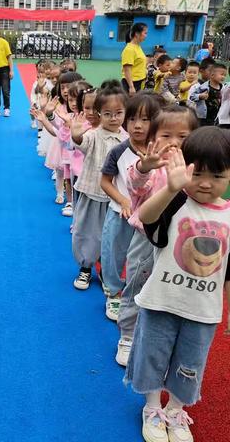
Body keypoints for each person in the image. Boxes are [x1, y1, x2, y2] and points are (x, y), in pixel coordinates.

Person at [125, 127, 230, 442]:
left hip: (203, 310)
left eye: (217, 175)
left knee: (191, 362)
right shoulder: (176, 202)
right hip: (161, 301)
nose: (206, 183)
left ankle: (176, 410)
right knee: (153, 354)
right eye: (197, 173)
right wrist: (171, 188)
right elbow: (146, 216)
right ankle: (153, 407)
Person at [116, 105, 198, 367]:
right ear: (153, 139)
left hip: (179, 244)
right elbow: (135, 186)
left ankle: (163, 338)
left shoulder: (196, 169)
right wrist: (143, 166)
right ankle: (128, 335)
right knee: (136, 284)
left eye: (183, 136)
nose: (174, 142)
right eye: (166, 135)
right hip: (146, 240)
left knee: (169, 291)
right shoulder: (152, 167)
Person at [100, 93, 158, 321]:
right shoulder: (119, 151)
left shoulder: (160, 151)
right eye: (133, 119)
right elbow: (105, 181)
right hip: (120, 212)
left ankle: (138, 293)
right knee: (114, 252)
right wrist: (123, 200)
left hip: (148, 217)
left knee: (143, 260)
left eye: (145, 119)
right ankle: (113, 292)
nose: (138, 125)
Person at [71, 81, 128, 289]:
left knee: (112, 236)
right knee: (87, 231)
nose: (113, 118)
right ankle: (85, 267)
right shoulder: (94, 135)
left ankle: (106, 270)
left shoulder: (127, 138)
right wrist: (76, 134)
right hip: (92, 192)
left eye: (118, 113)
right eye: (107, 114)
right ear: (99, 114)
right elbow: (82, 143)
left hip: (115, 198)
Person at [189, 62, 227, 126]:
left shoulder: (223, 88)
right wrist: (200, 96)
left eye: (225, 75)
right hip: (204, 117)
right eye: (222, 74)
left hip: (216, 117)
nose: (223, 77)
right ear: (212, 75)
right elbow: (192, 96)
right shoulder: (204, 87)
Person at [121, 23, 148, 94]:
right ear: (137, 34)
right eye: (145, 33)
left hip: (139, 81)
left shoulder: (138, 47)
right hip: (132, 83)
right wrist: (131, 87)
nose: (146, 36)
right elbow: (127, 69)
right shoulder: (129, 49)